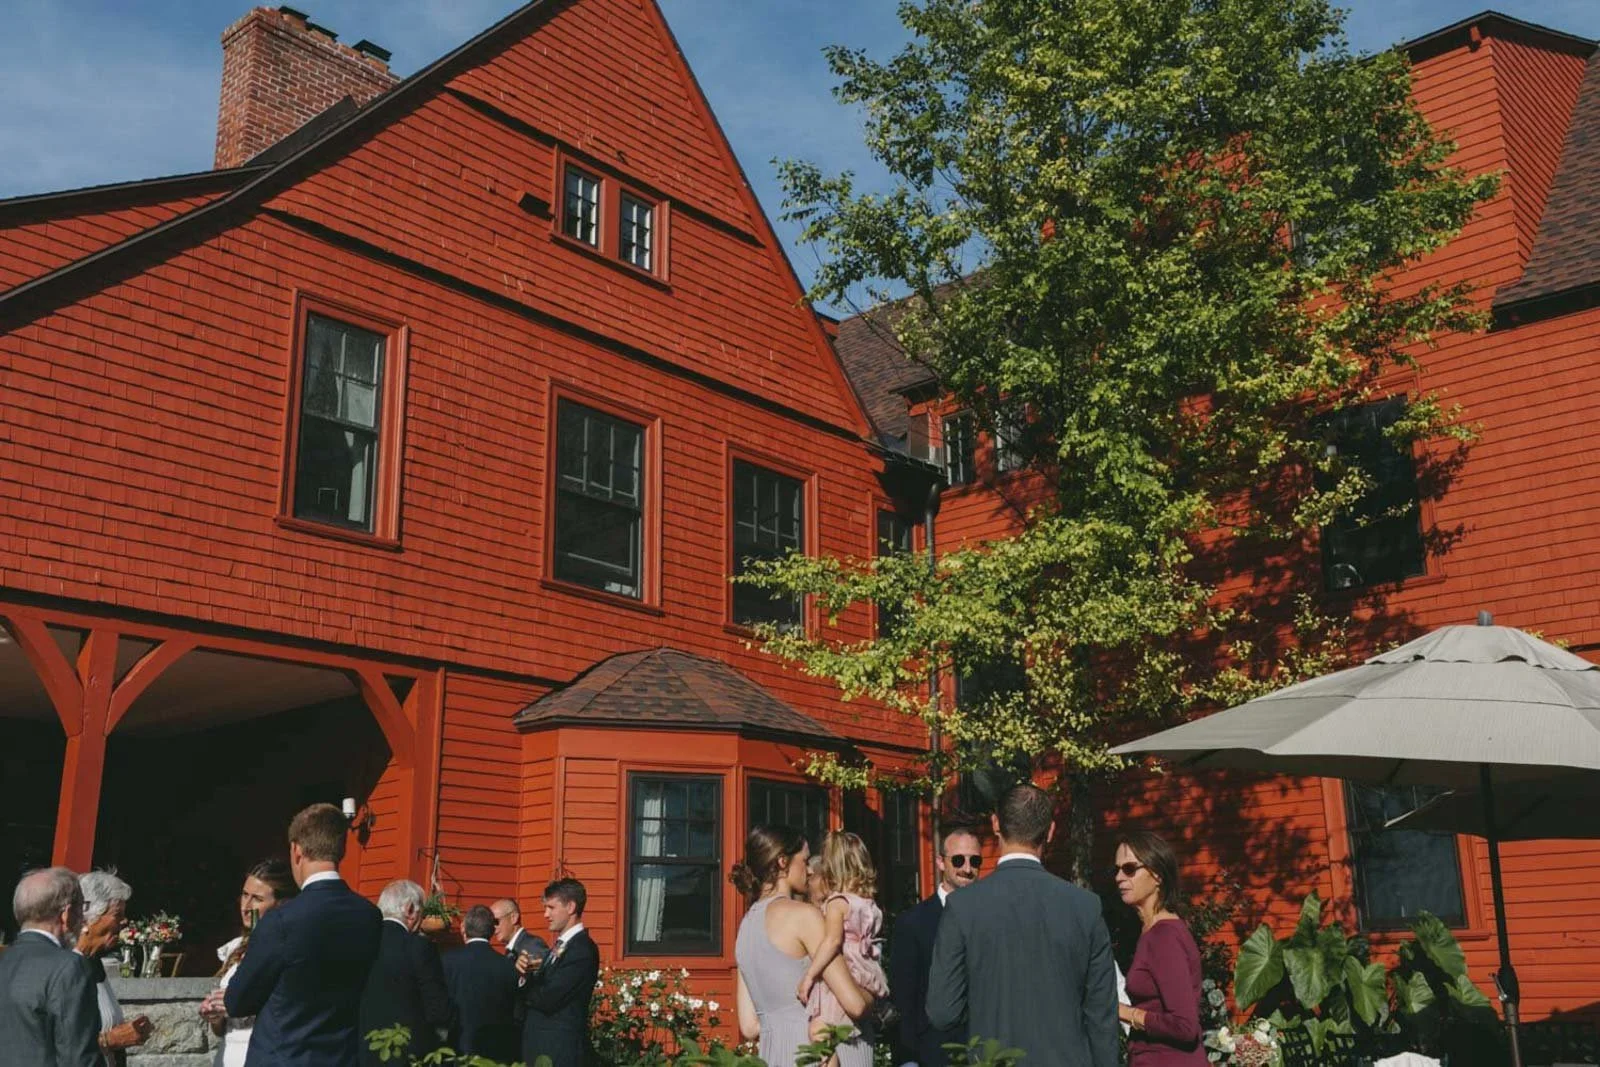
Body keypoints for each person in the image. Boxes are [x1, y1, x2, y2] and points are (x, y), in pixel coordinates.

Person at [926, 784, 1119, 1067]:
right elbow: (1102, 1016)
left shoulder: (963, 906)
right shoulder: (1085, 906)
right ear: (1050, 831)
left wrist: (987, 1007)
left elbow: (942, 1011)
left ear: (995, 824)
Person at [223, 803, 383, 1067]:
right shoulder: (368, 915)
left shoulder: (281, 921)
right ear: (340, 850)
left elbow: (238, 1001)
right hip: (341, 1057)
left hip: (283, 1057)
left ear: (297, 850)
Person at [732, 826, 875, 1067]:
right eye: (805, 860)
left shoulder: (745, 926)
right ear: (782, 862)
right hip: (824, 1052)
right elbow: (855, 1004)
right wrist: (875, 994)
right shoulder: (804, 916)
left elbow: (748, 1025)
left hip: (775, 1054)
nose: (809, 870)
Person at [889, 823, 983, 1067]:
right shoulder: (913, 923)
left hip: (984, 1052)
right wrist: (907, 1059)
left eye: (975, 861)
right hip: (933, 1053)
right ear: (941, 862)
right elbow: (904, 999)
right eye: (959, 860)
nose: (967, 868)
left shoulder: (991, 918)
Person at [797, 831, 890, 1065]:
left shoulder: (837, 903)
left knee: (818, 1028)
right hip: (866, 971)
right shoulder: (868, 903)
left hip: (846, 971)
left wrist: (810, 975)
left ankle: (832, 1062)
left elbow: (832, 941)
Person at [1114, 831, 1206, 1066]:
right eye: (1116, 870)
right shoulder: (1151, 932)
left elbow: (1185, 1026)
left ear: (1157, 875)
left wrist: (1124, 1012)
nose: (1119, 877)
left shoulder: (1163, 937)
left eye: (1129, 869)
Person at [199, 859, 300, 1067]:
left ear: (280, 903)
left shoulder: (287, 949)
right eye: (245, 895)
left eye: (257, 899)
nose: (246, 906)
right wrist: (216, 1016)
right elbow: (223, 1029)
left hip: (263, 1054)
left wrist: (238, 1001)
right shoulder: (235, 948)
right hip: (228, 1056)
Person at [0, 866, 102, 1067]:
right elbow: (77, 1057)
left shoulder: (5, 961)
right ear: (66, 914)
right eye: (81, 909)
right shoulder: (69, 967)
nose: (82, 921)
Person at [358, 879, 451, 1066]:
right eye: (421, 913)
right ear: (409, 909)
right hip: (406, 1053)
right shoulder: (419, 947)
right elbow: (438, 1010)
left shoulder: (361, 943)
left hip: (362, 1051)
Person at [516, 878, 600, 1067]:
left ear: (570, 907)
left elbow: (549, 997)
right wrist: (526, 972)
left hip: (559, 1050)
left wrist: (525, 985)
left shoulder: (581, 950)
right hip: (542, 1047)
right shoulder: (562, 946)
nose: (546, 915)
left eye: (551, 908)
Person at [77, 869, 152, 1066]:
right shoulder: (64, 967)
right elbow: (52, 1038)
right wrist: (110, 1040)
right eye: (117, 914)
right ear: (89, 917)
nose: (124, 922)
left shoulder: (93, 963)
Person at [444, 905, 521, 1063]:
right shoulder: (507, 966)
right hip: (497, 1051)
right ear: (492, 931)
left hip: (457, 1048)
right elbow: (516, 1012)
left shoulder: (448, 961)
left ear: (463, 929)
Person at [490, 897, 548, 964]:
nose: (494, 927)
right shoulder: (512, 949)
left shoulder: (532, 945)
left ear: (513, 918)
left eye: (496, 921)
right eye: (491, 923)